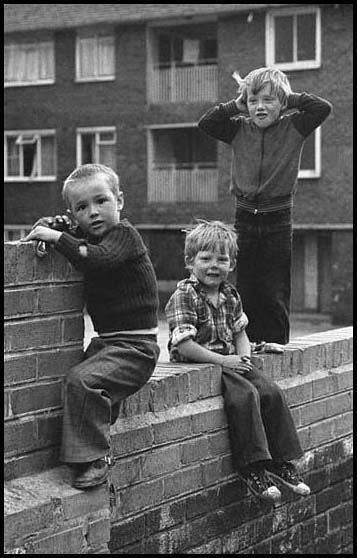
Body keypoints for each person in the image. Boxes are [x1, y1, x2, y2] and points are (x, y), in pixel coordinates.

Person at [22, 163, 160, 489]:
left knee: (81, 380)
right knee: (70, 386)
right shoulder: (83, 235)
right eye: (82, 207)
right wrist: (47, 230)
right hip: (107, 344)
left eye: (101, 201)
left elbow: (95, 258)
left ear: (120, 201)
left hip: (136, 349)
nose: (93, 213)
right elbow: (62, 228)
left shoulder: (124, 236)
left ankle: (96, 457)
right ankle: (90, 438)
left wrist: (58, 238)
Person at [165, 220, 310, 504]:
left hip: (228, 357)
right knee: (244, 396)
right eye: (205, 259)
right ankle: (252, 467)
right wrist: (224, 360)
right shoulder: (185, 294)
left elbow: (239, 333)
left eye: (222, 259)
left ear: (231, 264)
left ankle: (281, 462)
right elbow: (184, 344)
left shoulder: (230, 295)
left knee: (269, 390)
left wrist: (245, 358)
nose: (214, 266)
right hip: (201, 362)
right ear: (190, 262)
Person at [198, 67, 332, 345]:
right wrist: (235, 104)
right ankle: (246, 345)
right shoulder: (238, 129)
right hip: (245, 217)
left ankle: (277, 346)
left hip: (278, 219)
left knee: (274, 290)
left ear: (281, 103)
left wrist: (289, 98)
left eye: (268, 100)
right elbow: (207, 123)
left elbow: (322, 108)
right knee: (246, 288)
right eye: (252, 101)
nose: (259, 107)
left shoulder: (294, 126)